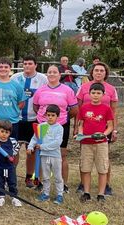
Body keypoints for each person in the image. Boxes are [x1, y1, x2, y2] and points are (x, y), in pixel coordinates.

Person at [33, 65, 78, 193]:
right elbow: (36, 107)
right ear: (46, 74)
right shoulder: (40, 90)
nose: (52, 74)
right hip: (43, 125)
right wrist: (44, 119)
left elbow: (74, 110)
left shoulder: (67, 90)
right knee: (41, 154)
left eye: (55, 72)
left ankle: (64, 185)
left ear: (60, 75)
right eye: (49, 72)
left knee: (62, 155)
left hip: (61, 125)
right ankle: (40, 182)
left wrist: (62, 119)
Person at [75, 62, 118, 195]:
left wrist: (114, 130)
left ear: (106, 73)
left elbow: (114, 111)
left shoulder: (111, 89)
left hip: (103, 130)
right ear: (92, 72)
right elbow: (79, 110)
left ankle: (106, 186)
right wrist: (77, 129)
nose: (99, 73)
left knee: (104, 158)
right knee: (85, 158)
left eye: (102, 71)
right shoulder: (83, 87)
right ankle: (83, 185)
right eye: (96, 70)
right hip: (86, 130)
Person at [10, 55, 47, 189]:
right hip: (17, 119)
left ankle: (29, 177)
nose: (27, 66)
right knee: (14, 149)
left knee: (31, 150)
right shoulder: (15, 78)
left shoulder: (43, 79)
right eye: (25, 63)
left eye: (30, 63)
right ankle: (11, 175)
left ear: (35, 65)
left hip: (33, 120)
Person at [27, 105, 64, 205]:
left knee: (57, 176)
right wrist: (30, 147)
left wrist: (42, 146)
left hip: (55, 156)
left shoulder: (59, 128)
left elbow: (57, 142)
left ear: (58, 116)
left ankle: (60, 194)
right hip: (43, 156)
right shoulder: (41, 126)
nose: (50, 117)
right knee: (46, 176)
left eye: (53, 115)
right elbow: (35, 138)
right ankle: (45, 193)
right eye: (48, 115)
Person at [0, 57, 25, 140]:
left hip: (12, 122)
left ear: (10, 69)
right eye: (1, 67)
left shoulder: (17, 86)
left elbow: (21, 103)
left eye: (6, 67)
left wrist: (11, 111)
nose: (3, 69)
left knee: (12, 148)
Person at [0, 121, 21, 207]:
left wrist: (12, 154)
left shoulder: (12, 141)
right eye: (2, 131)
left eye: (6, 132)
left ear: (10, 133)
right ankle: (1, 197)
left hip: (10, 166)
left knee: (12, 181)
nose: (4, 134)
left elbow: (17, 147)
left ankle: (14, 197)